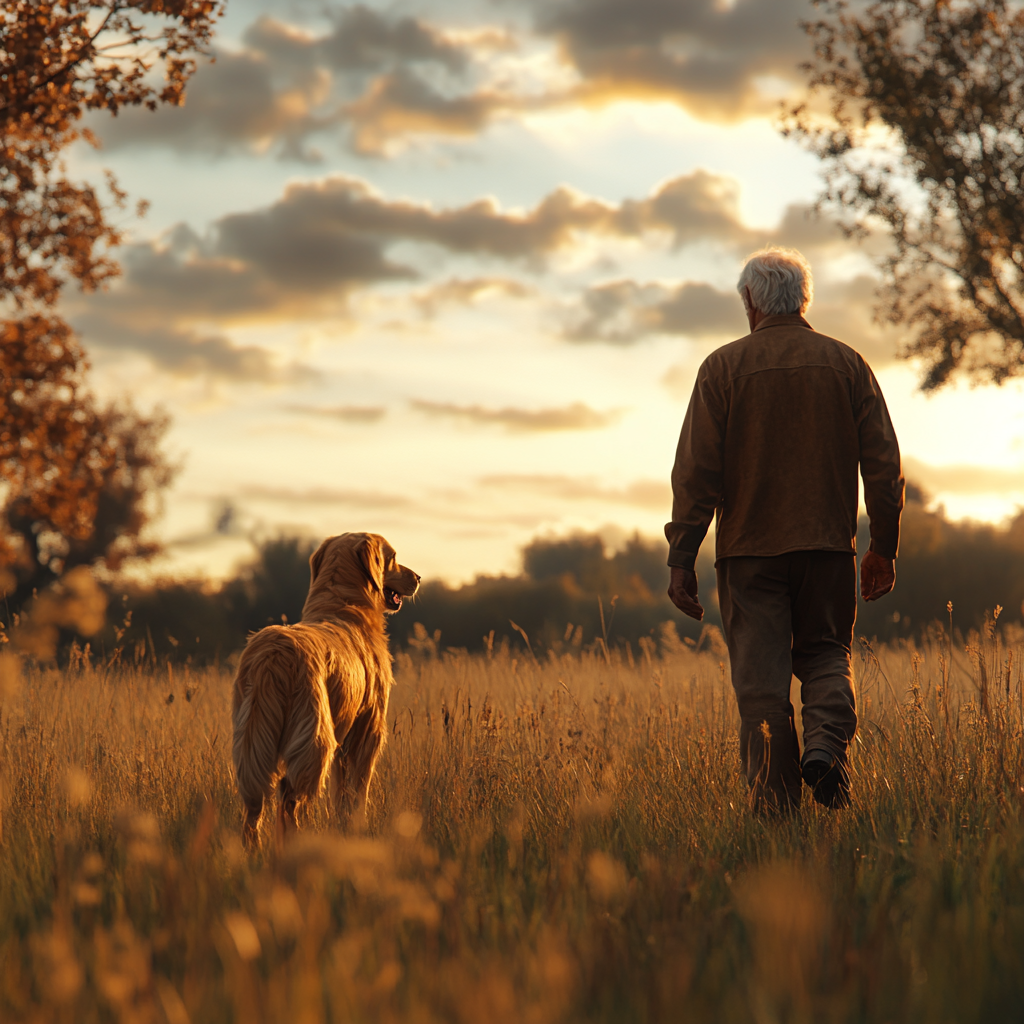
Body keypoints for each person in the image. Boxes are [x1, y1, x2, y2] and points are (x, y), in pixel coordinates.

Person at [665, 247, 903, 814]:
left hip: (749, 556)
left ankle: (775, 818)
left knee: (762, 690)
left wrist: (682, 556)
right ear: (803, 300)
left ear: (750, 302)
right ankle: (823, 749)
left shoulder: (721, 369)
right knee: (825, 657)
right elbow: (884, 463)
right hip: (826, 549)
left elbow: (695, 472)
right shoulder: (847, 364)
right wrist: (884, 547)